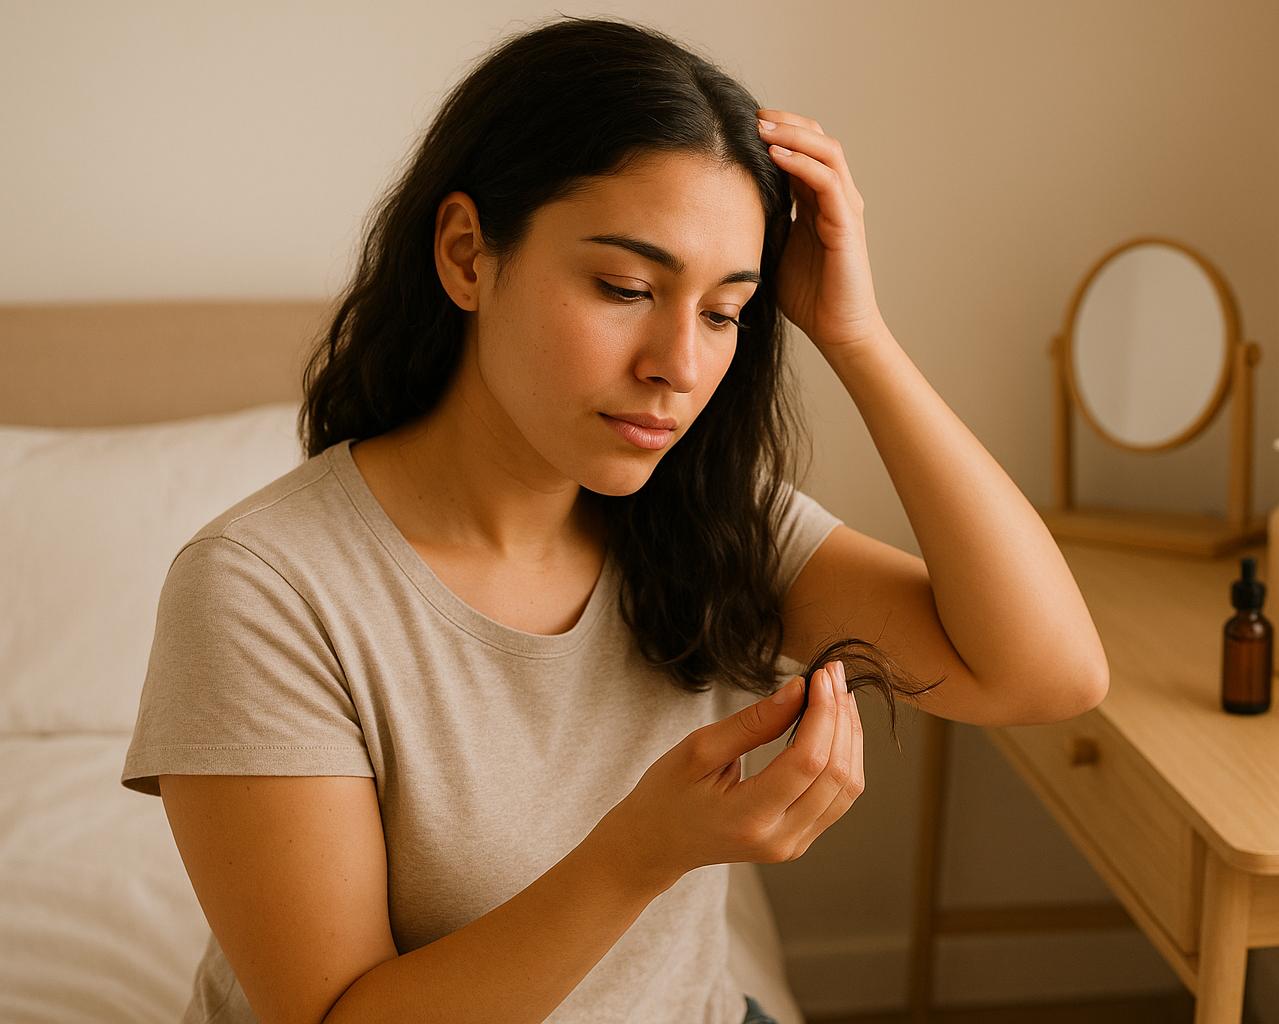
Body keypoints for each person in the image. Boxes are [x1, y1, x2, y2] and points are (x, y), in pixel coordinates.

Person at [120, 14, 942, 1024]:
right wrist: (642, 851)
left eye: (725, 311)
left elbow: (1045, 672)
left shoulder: (706, 524)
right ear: (468, 254)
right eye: (625, 286)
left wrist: (857, 335)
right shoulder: (264, 589)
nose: (679, 367)